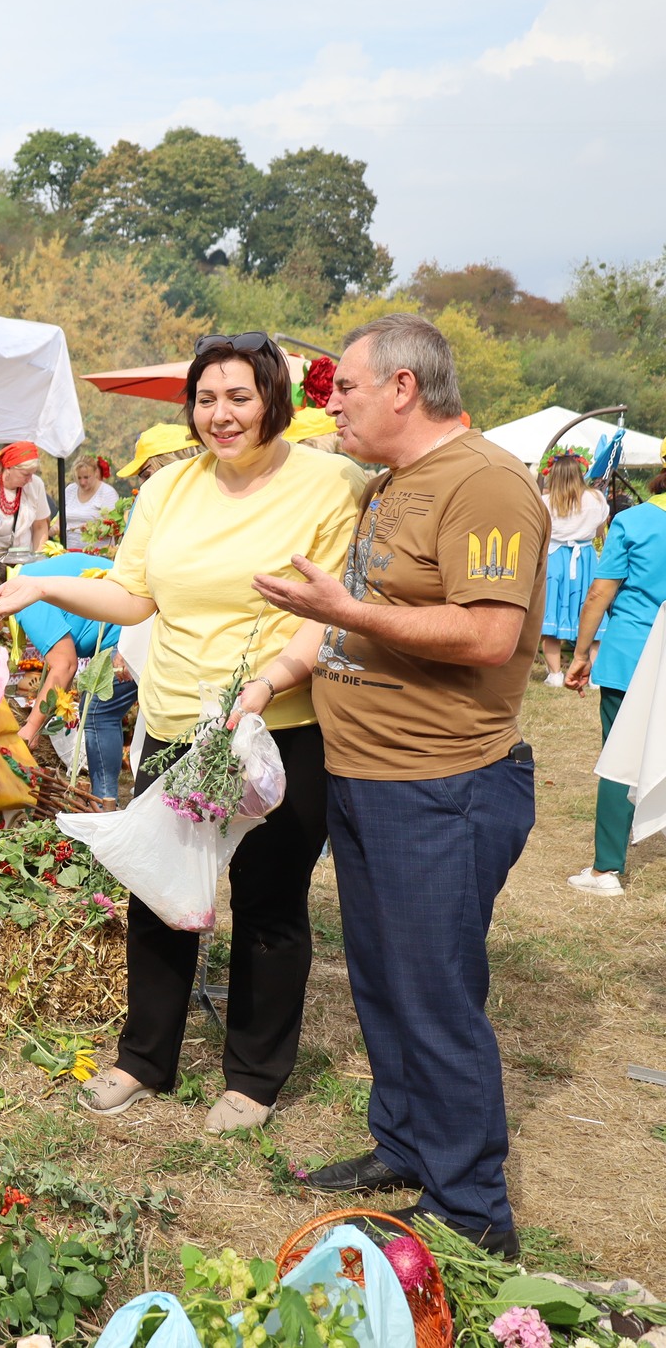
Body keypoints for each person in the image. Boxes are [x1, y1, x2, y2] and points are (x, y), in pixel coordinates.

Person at [0, 332, 367, 1134]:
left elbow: (324, 618)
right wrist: (36, 583)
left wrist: (265, 686)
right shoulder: (170, 490)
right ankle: (143, 1059)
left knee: (269, 904)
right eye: (206, 399)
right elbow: (130, 596)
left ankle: (253, 1079)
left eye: (238, 397)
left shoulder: (331, 482)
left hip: (274, 731)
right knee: (159, 892)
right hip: (173, 726)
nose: (219, 415)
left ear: (273, 401)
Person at [254, 313, 546, 1258]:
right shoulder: (390, 486)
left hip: (443, 786)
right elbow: (355, 624)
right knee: (384, 983)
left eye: (344, 387)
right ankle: (406, 1146)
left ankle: (471, 1213)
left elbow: (491, 635)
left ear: (403, 390)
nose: (329, 402)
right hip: (369, 780)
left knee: (434, 994)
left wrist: (344, 607)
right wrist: (279, 671)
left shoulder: (487, 484)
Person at [563, 468, 666, 895]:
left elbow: (599, 594)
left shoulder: (635, 520)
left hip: (633, 653)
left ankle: (606, 869)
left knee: (621, 757)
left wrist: (581, 653)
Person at [0, 554, 138, 805]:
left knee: (96, 712)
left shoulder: (25, 597)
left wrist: (31, 727)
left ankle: (105, 805)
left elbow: (65, 665)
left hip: (134, 628)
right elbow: (61, 668)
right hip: (133, 619)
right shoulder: (29, 577)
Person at [537, 452, 610, 687]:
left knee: (552, 612)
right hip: (586, 559)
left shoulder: (545, 501)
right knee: (593, 611)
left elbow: (541, 533)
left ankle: (555, 674)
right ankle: (595, 675)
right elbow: (599, 532)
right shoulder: (596, 499)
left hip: (554, 559)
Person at [63, 457, 119, 551]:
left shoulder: (107, 493)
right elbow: (60, 519)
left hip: (97, 552)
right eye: (78, 478)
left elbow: (114, 528)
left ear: (96, 472)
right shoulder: (70, 490)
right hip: (70, 551)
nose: (82, 482)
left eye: (86, 477)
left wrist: (93, 529)